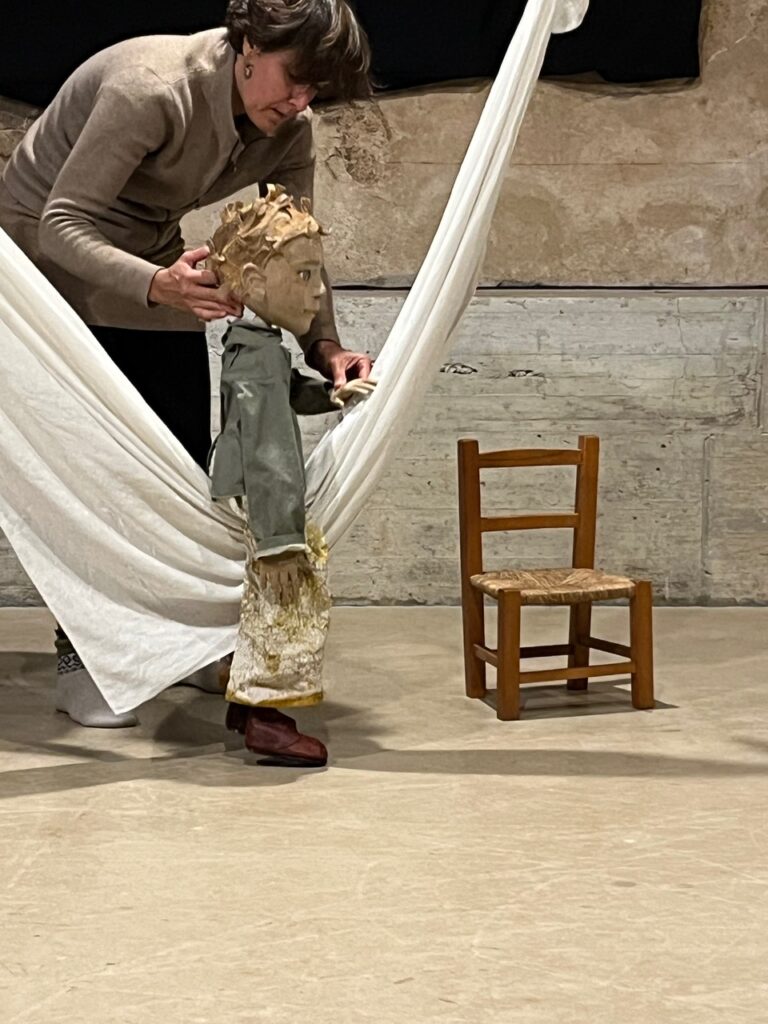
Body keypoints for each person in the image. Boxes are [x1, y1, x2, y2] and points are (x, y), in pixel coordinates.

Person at [0, 0, 374, 728]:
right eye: (294, 78)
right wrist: (156, 283)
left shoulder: (289, 128)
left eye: (315, 90)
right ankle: (86, 658)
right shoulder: (149, 89)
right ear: (249, 45)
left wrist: (325, 346)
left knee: (182, 464)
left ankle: (183, 638)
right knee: (93, 474)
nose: (300, 102)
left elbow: (295, 249)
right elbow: (60, 222)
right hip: (38, 265)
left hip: (149, 255)